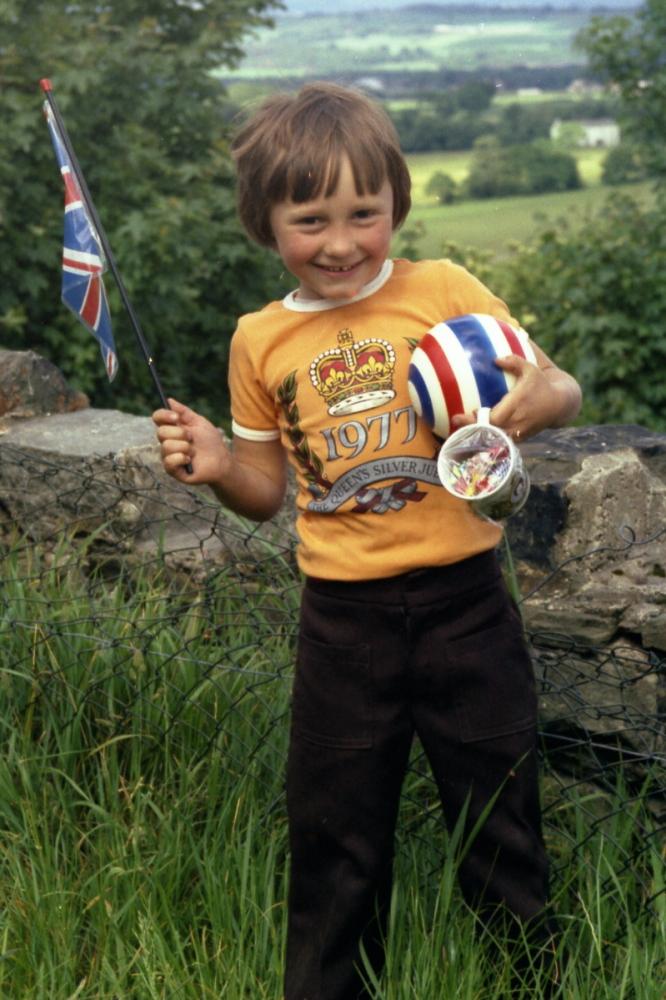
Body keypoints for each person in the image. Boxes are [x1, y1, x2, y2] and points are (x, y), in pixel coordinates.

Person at [153, 82, 582, 999]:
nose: (342, 242)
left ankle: (529, 979)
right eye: (310, 219)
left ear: (397, 204)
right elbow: (265, 496)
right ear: (264, 223)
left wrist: (545, 401)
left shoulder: (445, 291)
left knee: (500, 814)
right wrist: (223, 463)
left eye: (365, 213)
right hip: (342, 623)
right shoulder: (258, 340)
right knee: (335, 830)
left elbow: (558, 388)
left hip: (468, 604)